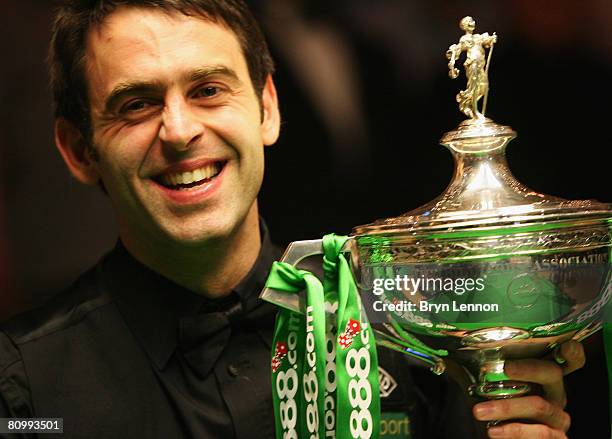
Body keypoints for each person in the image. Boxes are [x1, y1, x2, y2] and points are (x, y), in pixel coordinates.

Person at [0, 1, 584, 438]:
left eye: (207, 89)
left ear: (267, 109)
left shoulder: (409, 333)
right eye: (136, 104)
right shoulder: (26, 389)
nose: (178, 131)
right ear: (79, 151)